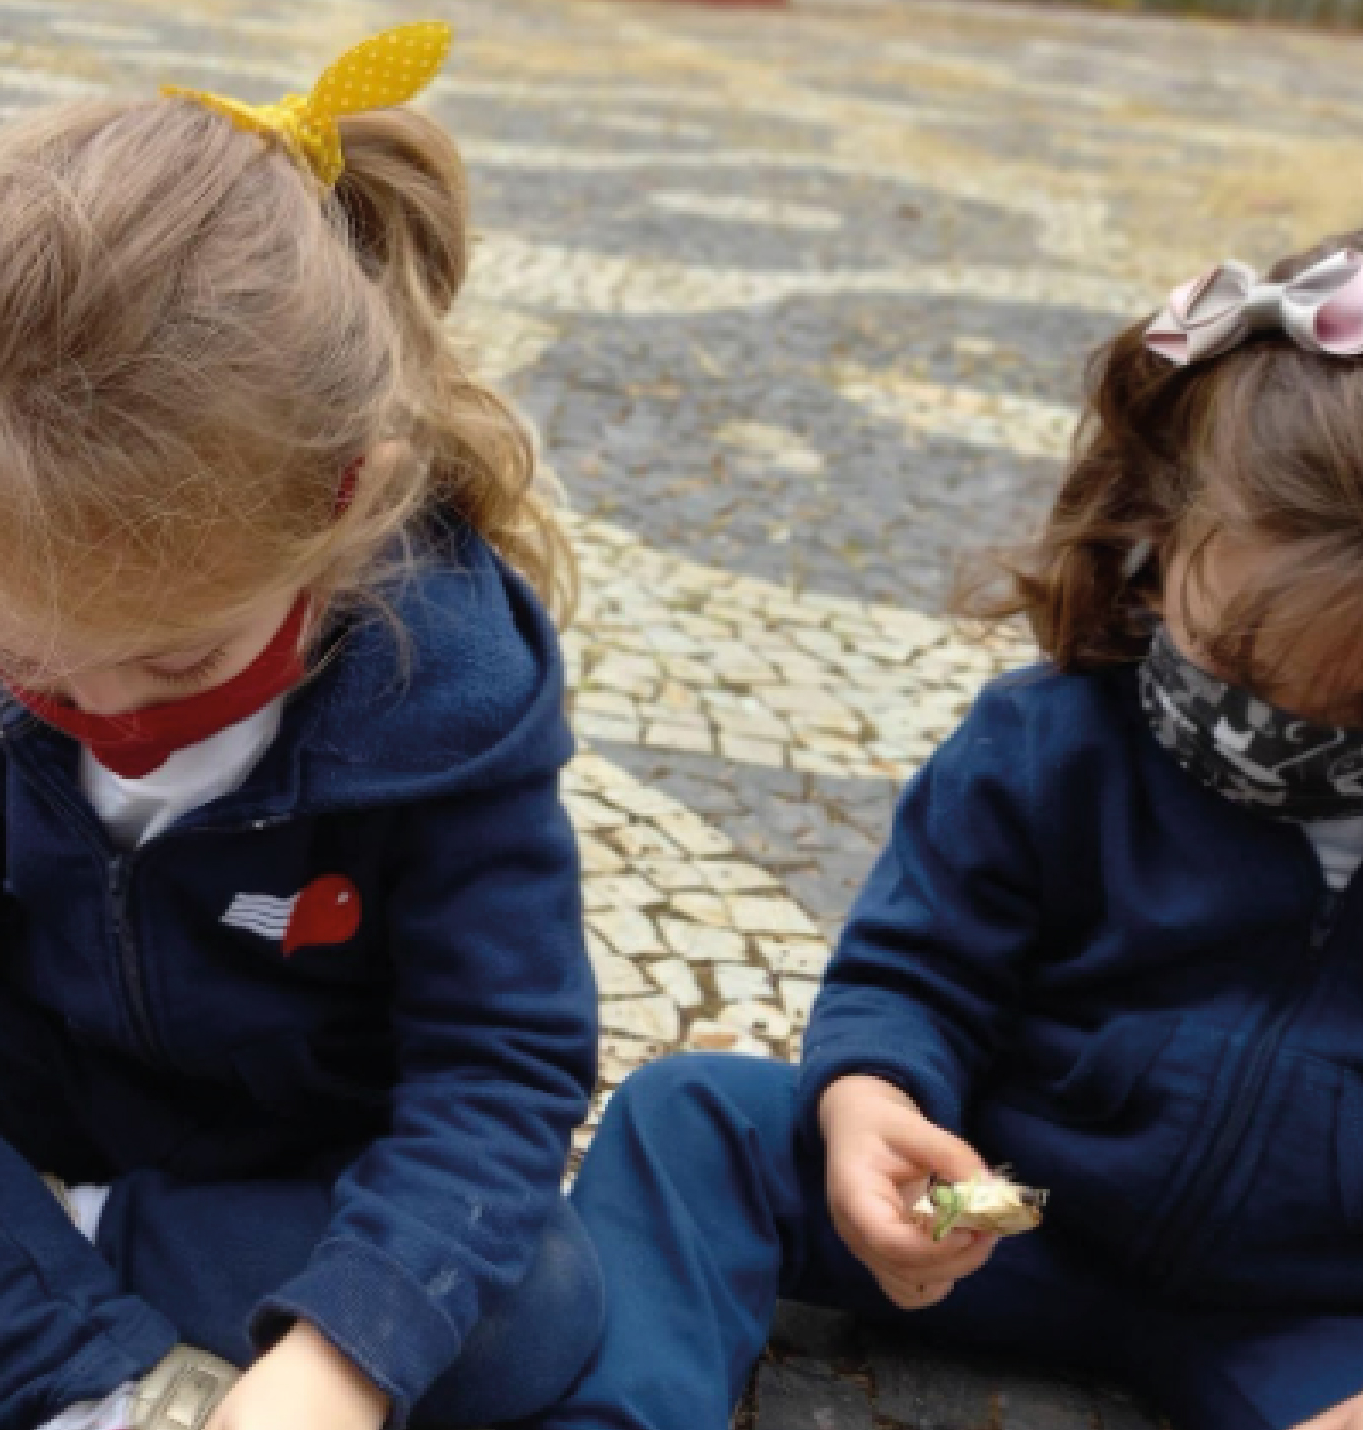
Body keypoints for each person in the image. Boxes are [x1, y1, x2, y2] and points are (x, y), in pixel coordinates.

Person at [0, 23, 604, 1430]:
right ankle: (102, 1387)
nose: (103, 713)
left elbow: (496, 1074)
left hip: (313, 1158)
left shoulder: (448, 706)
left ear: (342, 499)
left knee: (539, 1298)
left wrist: (342, 1360)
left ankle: (12, 1263)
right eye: (27, 657)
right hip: (58, 1066)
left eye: (176, 656)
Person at [530, 232, 1363, 1430]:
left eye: (1350, 707)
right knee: (692, 1117)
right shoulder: (1049, 740)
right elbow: (917, 967)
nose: (1282, 725)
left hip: (1307, 1309)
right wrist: (871, 1102)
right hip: (1002, 1209)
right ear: (1159, 532)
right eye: (1237, 663)